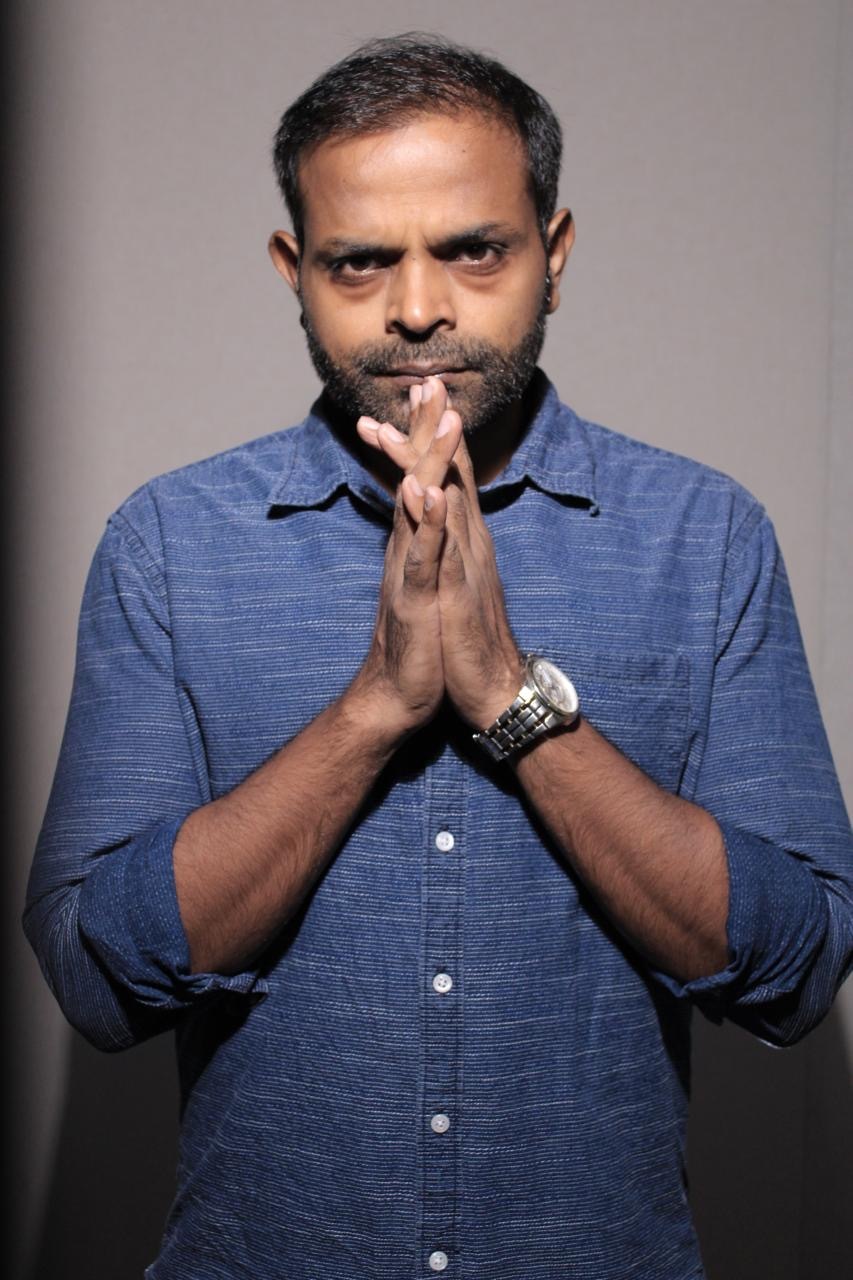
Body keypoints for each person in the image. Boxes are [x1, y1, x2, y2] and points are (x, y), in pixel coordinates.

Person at [24, 32, 852, 1280]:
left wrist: (509, 695)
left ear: (554, 255)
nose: (417, 308)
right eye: (360, 260)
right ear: (295, 271)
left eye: (474, 249)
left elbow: (797, 966)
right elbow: (98, 977)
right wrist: (374, 707)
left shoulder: (704, 536)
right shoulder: (169, 544)